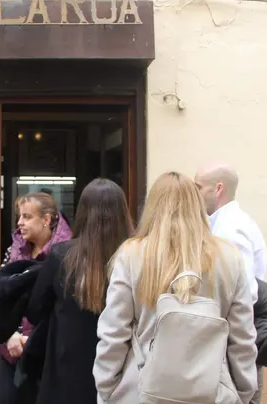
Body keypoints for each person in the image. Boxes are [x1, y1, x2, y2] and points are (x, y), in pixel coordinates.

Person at [93, 172, 258, 404]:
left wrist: (106, 387)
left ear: (152, 207)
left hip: (141, 391)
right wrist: (243, 391)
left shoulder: (131, 255)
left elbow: (113, 332)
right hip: (211, 392)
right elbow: (242, 338)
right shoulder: (229, 257)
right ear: (197, 206)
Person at [26, 179, 133, 404]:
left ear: (82, 212)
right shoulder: (136, 257)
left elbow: (35, 311)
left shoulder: (61, 256)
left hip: (66, 372)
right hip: (122, 373)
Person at [195, 163, 267, 403]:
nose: (194, 195)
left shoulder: (230, 229)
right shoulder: (228, 223)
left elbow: (245, 291)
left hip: (234, 345)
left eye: (198, 187)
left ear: (218, 189)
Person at [0, 192, 72, 403]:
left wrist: (34, 341)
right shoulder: (14, 250)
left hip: (48, 359)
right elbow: (0, 299)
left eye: (27, 217)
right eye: (19, 217)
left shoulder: (67, 255)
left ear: (46, 220)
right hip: (11, 354)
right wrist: (9, 334)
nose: (20, 223)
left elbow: (65, 310)